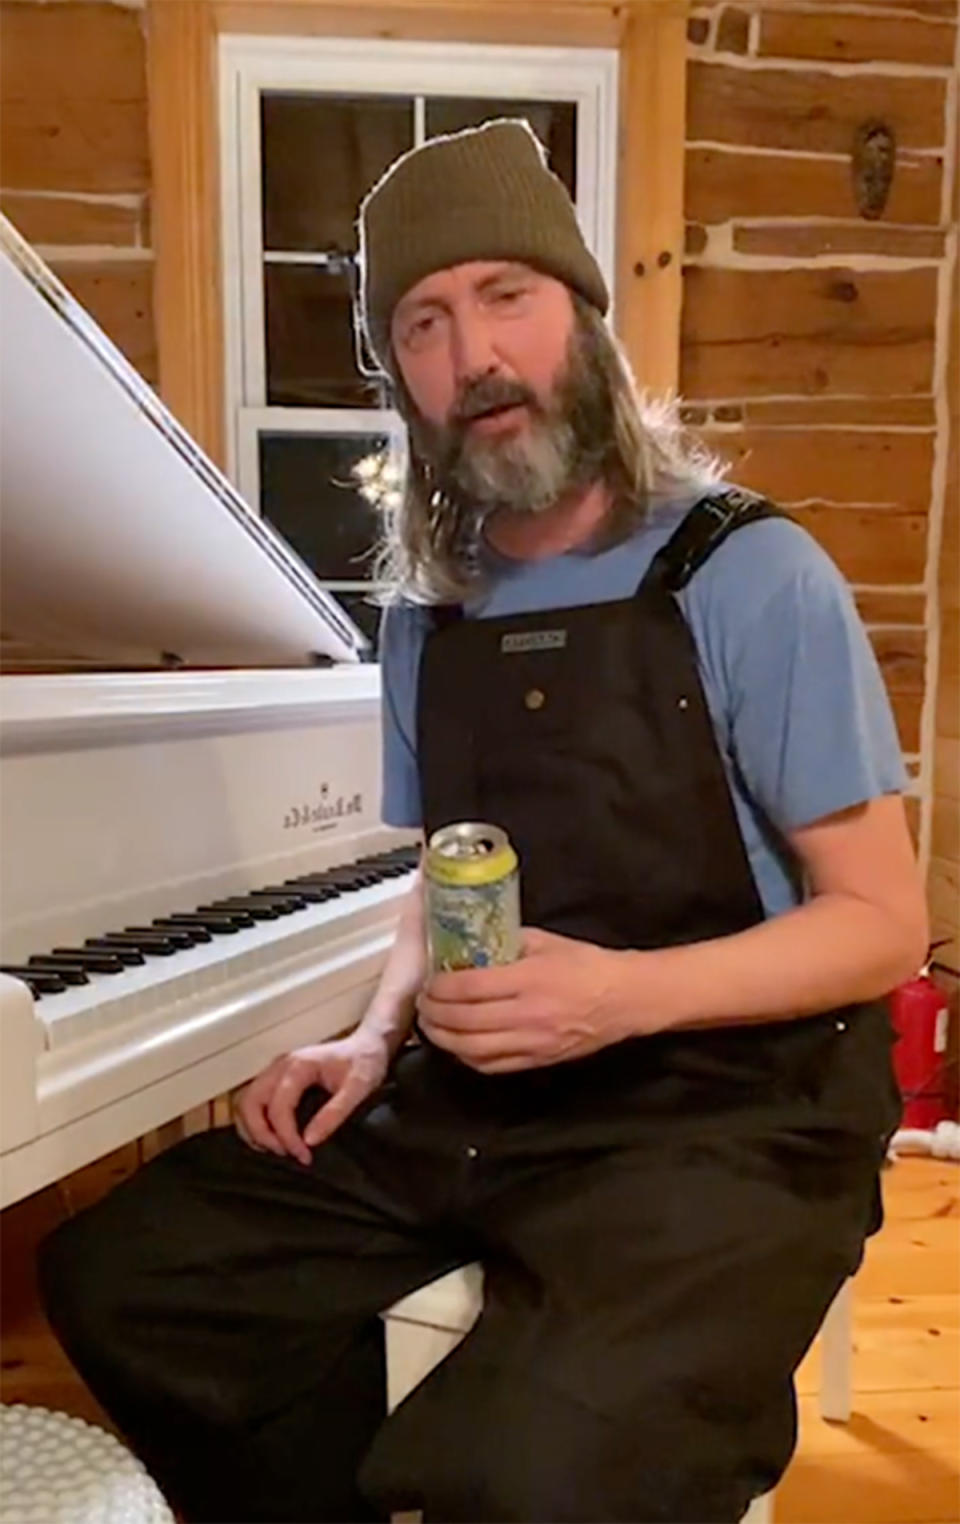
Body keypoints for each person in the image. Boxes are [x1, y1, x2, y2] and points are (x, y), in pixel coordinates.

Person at [39, 119, 927, 1524]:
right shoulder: (427, 614)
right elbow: (439, 882)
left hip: (727, 1119)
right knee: (128, 1279)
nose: (476, 353)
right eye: (425, 321)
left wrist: (621, 999)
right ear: (404, 379)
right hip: (484, 1100)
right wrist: (373, 1034)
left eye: (508, 295)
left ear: (584, 318)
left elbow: (886, 928)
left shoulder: (752, 574)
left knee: (522, 1476)